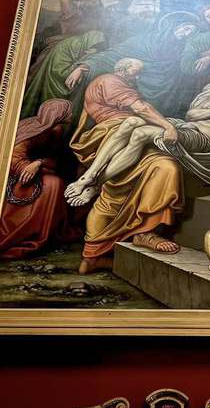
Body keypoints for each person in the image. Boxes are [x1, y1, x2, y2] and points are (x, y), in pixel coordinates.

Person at [65, 73, 210, 206]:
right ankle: (89, 176)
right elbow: (192, 114)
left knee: (142, 134)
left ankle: (97, 184)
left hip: (203, 138)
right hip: (186, 125)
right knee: (132, 122)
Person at [67, 57, 185, 273]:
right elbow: (141, 108)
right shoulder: (110, 80)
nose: (137, 77)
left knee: (166, 167)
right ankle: (92, 256)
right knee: (116, 191)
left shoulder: (121, 84)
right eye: (135, 72)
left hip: (134, 136)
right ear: (122, 69)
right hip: (110, 135)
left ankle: (145, 232)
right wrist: (168, 126)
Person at [62, 11, 200, 116]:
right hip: (133, 97)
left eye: (192, 32)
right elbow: (112, 55)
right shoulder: (143, 42)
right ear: (173, 26)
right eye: (186, 28)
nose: (188, 34)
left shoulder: (184, 49)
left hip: (167, 101)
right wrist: (83, 67)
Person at [0, 99, 79, 259]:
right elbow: (13, 159)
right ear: (57, 115)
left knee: (56, 182)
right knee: (53, 184)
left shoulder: (55, 130)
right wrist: (29, 167)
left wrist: (39, 163)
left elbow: (53, 160)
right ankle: (28, 230)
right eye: (67, 112)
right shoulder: (33, 130)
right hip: (16, 177)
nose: (71, 115)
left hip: (36, 170)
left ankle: (46, 230)